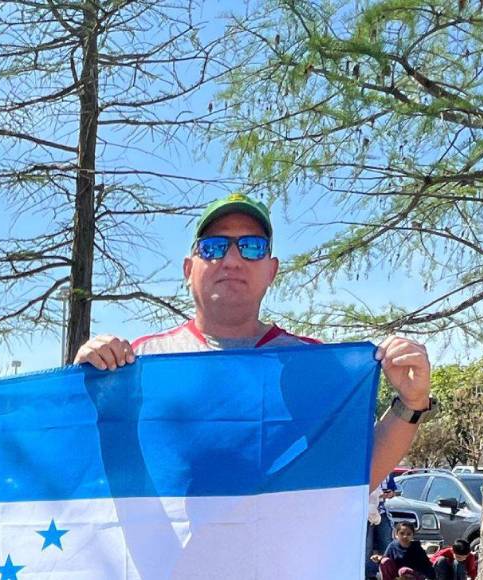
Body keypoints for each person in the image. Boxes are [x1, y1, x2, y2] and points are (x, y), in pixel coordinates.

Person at [73, 193, 437, 491]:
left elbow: (353, 479)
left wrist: (411, 402)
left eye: (250, 246)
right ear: (188, 270)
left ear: (272, 270)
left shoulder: (313, 366)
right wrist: (78, 387)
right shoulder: (138, 364)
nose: (231, 259)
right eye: (214, 247)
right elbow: (92, 474)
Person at [368, 473, 400, 577]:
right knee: (367, 545)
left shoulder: (387, 472)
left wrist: (390, 493)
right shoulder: (366, 470)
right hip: (367, 513)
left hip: (381, 512)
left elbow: (393, 491)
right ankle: (368, 575)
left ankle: (388, 573)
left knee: (387, 542)